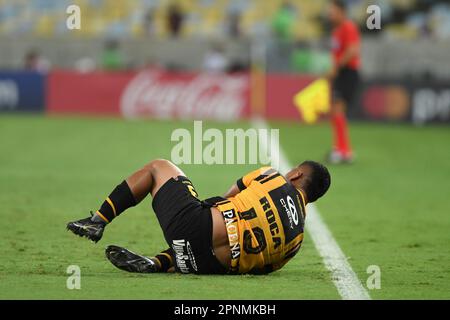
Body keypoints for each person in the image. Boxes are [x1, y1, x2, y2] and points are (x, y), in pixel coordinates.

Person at [67, 159, 330, 275]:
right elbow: (261, 270)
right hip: (210, 266)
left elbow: (227, 197)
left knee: (159, 167)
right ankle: (158, 263)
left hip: (195, 227)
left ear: (295, 174)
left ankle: (98, 220)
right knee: (212, 245)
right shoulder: (297, 242)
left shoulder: (273, 177)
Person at [327, 0, 361, 164]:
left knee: (338, 109)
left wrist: (337, 66)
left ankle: (344, 151)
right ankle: (341, 148)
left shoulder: (348, 27)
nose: (330, 14)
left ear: (341, 11)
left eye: (332, 11)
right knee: (335, 111)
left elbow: (352, 50)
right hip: (341, 73)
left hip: (348, 72)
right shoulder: (336, 30)